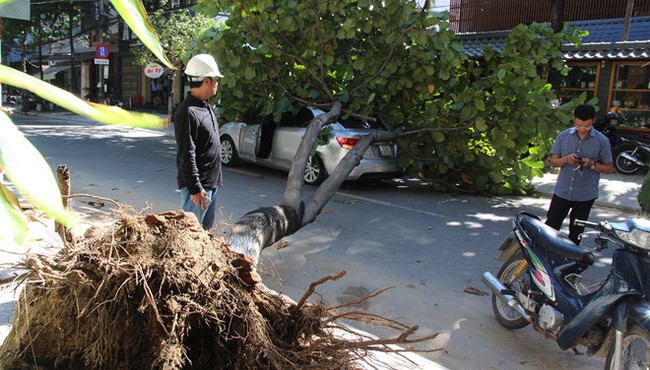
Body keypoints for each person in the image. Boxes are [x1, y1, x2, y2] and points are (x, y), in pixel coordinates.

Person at [545, 104, 613, 244]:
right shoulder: (563, 136)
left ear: (593, 120)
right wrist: (566, 159)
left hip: (585, 195)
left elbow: (608, 168)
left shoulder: (602, 141)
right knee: (550, 228)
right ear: (574, 119)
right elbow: (553, 161)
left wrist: (592, 164)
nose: (582, 129)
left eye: (586, 126)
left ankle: (569, 262)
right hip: (563, 191)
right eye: (578, 125)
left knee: (576, 234)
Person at [174, 54, 224, 230]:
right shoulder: (188, 111)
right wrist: (195, 188)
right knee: (192, 236)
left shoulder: (205, 106)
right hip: (198, 189)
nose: (217, 83)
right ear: (206, 81)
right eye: (215, 79)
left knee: (205, 236)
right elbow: (186, 153)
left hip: (210, 184)